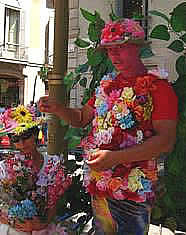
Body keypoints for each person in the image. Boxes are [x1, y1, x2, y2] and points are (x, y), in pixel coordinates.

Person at [39, 18, 178, 234]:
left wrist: (114, 158)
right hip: (101, 186)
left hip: (133, 191)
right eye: (109, 49)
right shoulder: (107, 86)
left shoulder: (158, 88)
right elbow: (81, 118)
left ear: (138, 48)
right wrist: (57, 108)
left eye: (121, 48)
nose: (114, 55)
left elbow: (165, 142)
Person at [0, 105, 72, 235]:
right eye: (16, 139)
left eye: (26, 136)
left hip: (43, 228)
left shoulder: (53, 163)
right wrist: (14, 223)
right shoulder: (5, 167)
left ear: (35, 134)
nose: (22, 143)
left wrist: (40, 224)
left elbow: (54, 202)